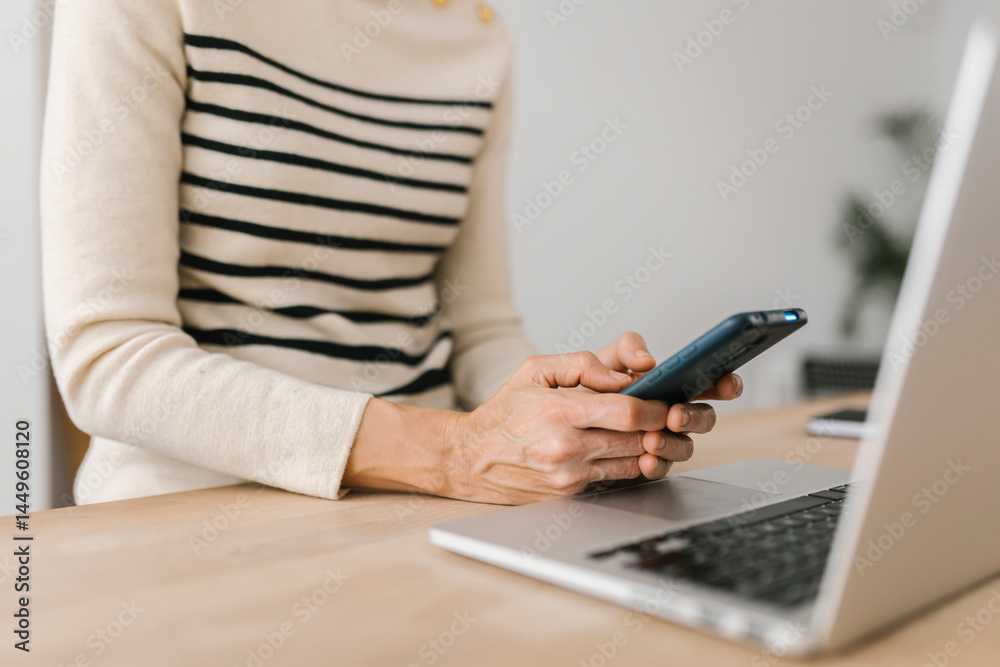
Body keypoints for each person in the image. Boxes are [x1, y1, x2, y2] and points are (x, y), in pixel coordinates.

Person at [40, 0, 741, 506]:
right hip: (192, 511)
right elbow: (109, 354)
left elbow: (479, 329)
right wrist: (454, 453)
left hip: (418, 512)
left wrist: (573, 418)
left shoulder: (474, 35)